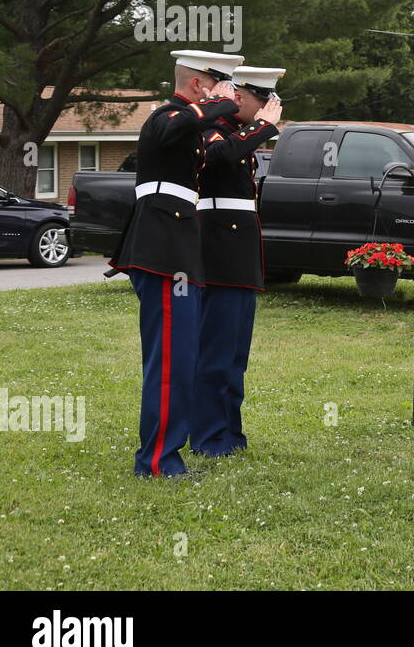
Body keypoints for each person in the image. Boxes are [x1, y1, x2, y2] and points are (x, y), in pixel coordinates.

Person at [111, 50, 244, 476]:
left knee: (181, 359)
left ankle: (167, 453)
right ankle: (156, 461)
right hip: (162, 251)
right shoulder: (164, 116)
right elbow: (178, 124)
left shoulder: (189, 127)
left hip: (179, 251)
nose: (230, 95)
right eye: (222, 85)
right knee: (169, 363)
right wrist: (221, 105)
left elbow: (217, 153)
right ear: (197, 85)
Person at [191, 67, 284, 457]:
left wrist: (258, 129)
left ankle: (229, 432)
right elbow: (216, 156)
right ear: (242, 98)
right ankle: (209, 437)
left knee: (234, 354)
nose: (267, 115)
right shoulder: (212, 129)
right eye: (263, 106)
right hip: (220, 254)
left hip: (240, 257)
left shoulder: (236, 133)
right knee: (216, 351)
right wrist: (261, 129)